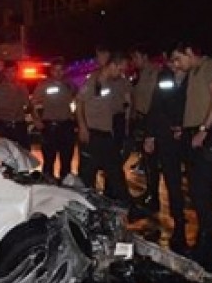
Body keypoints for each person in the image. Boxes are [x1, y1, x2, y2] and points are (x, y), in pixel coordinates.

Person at [170, 42, 212, 269]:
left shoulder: (211, 67)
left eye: (178, 58)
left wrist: (203, 130)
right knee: (196, 190)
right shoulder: (193, 72)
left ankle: (208, 246)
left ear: (190, 52)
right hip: (193, 133)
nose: (176, 64)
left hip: (207, 135)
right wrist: (183, 128)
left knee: (202, 191)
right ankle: (206, 242)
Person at [144, 59, 190, 251]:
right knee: (173, 182)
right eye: (173, 59)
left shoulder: (194, 75)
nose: (176, 64)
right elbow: (157, 106)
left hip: (190, 134)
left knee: (196, 186)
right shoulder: (165, 77)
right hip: (167, 136)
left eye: (179, 59)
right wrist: (150, 135)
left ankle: (204, 231)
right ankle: (179, 225)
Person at [76, 53, 132, 203]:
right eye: (120, 69)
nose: (121, 73)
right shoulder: (94, 81)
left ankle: (127, 205)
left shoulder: (109, 83)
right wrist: (82, 127)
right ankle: (85, 205)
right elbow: (79, 103)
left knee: (115, 172)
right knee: (87, 175)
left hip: (106, 134)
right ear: (112, 65)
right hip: (92, 134)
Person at [32, 61, 77, 182]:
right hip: (50, 126)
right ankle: (48, 182)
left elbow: (76, 101)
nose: (58, 73)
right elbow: (33, 104)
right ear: (51, 71)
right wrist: (36, 120)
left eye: (60, 70)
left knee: (66, 157)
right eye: (55, 70)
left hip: (66, 125)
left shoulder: (69, 85)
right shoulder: (43, 85)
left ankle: (65, 181)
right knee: (49, 157)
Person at [130, 48, 160, 207]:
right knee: (147, 161)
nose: (134, 61)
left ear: (144, 56)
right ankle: (150, 192)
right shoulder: (139, 74)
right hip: (142, 119)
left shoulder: (154, 73)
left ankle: (154, 198)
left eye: (136, 57)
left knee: (152, 161)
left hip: (152, 119)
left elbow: (154, 99)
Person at [0, 61, 32, 151]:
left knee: (24, 152)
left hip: (19, 124)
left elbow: (27, 105)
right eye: (8, 71)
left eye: (13, 71)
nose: (10, 74)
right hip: (4, 125)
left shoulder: (22, 87)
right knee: (7, 153)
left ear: (17, 72)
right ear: (4, 73)